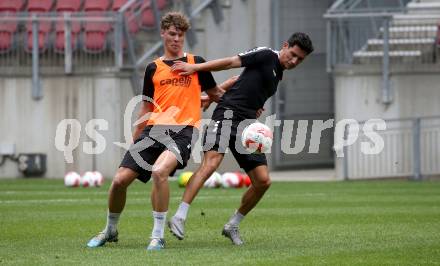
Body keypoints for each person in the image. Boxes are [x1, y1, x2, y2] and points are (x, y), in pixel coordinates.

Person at [86, 12, 233, 251]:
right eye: (173, 34)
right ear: (163, 33)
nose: (177, 39)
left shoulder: (197, 64)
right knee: (119, 181)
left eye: (181, 35)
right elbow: (146, 107)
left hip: (185, 130)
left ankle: (157, 235)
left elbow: (216, 94)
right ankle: (110, 229)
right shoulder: (152, 68)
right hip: (153, 129)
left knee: (160, 171)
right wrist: (135, 140)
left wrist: (244, 103)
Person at [168, 32, 314, 245]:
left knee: (263, 181)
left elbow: (239, 81)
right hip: (227, 114)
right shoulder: (265, 55)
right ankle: (179, 216)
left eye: (299, 59)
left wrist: (249, 105)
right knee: (211, 164)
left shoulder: (278, 74)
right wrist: (196, 68)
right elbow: (230, 63)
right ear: (285, 46)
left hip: (247, 127)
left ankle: (232, 225)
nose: (294, 61)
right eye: (292, 54)